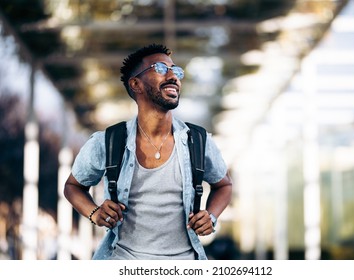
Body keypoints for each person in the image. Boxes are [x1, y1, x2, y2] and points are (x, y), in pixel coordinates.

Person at [64, 44, 233, 260]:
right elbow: (73, 186)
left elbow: (224, 185)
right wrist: (94, 213)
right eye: (161, 68)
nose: (173, 76)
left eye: (176, 70)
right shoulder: (107, 142)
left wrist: (211, 216)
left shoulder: (198, 141)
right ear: (136, 84)